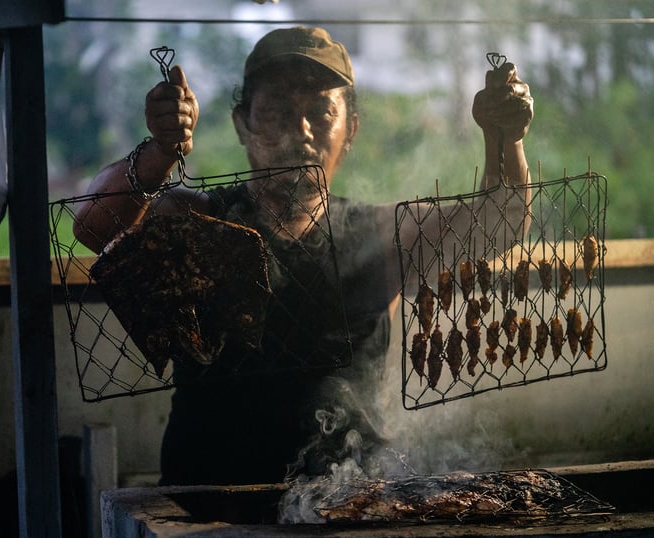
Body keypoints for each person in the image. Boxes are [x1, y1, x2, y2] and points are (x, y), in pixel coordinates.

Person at [74, 26, 533, 486]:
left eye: (320, 111)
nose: (301, 130)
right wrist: (160, 154)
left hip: (348, 504)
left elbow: (501, 222)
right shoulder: (196, 221)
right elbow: (93, 227)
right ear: (242, 124)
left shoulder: (381, 235)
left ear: (350, 129)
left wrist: (504, 136)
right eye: (277, 112)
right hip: (205, 505)